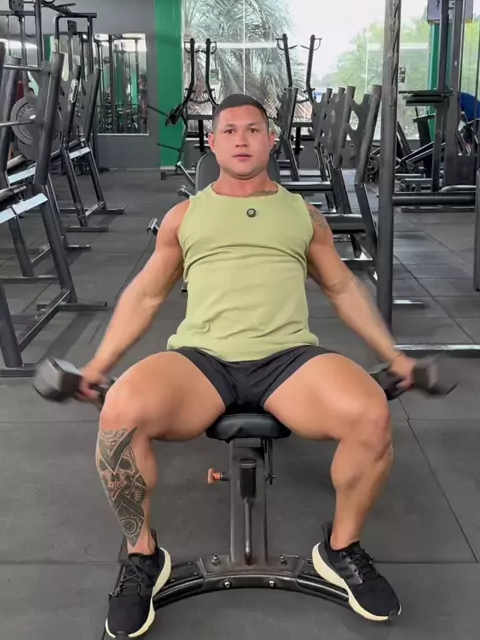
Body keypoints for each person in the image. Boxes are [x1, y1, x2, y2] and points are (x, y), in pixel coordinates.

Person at [79, 94, 416, 638]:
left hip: (288, 358)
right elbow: (145, 295)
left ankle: (341, 548)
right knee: (119, 413)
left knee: (370, 412)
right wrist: (100, 363)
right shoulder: (185, 216)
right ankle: (142, 556)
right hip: (202, 359)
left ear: (271, 140)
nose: (241, 139)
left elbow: (341, 288)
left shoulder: (303, 214)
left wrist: (393, 354)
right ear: (211, 143)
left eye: (253, 129)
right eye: (230, 130)